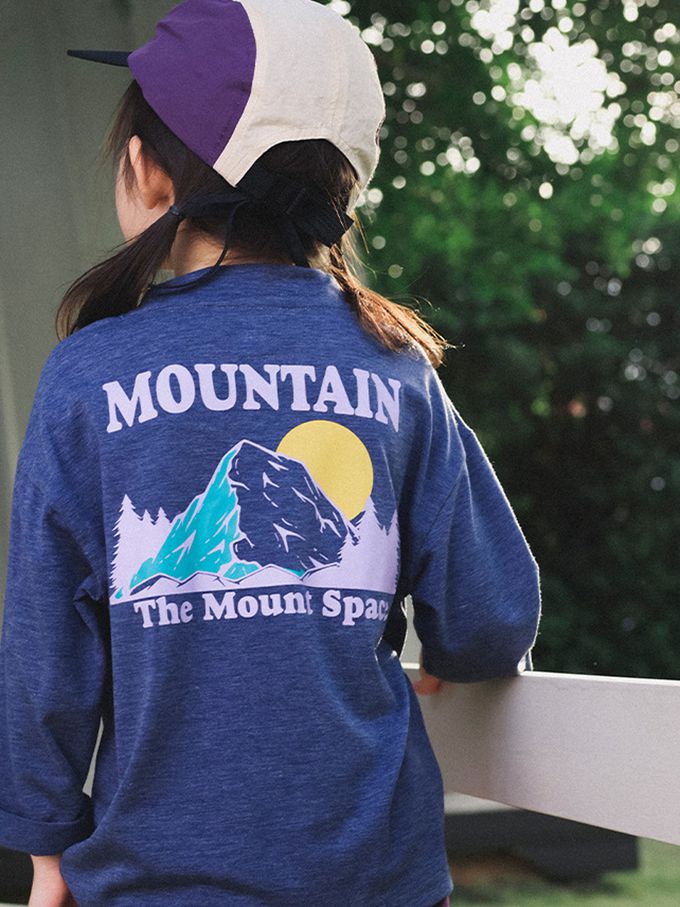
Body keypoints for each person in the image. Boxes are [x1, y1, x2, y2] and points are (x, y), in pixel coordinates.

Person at [0, 1, 542, 904]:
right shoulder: (395, 367)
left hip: (156, 883)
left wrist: (45, 843)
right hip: (378, 879)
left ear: (148, 174)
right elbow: (491, 617)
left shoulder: (89, 374)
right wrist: (455, 648)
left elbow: (43, 652)